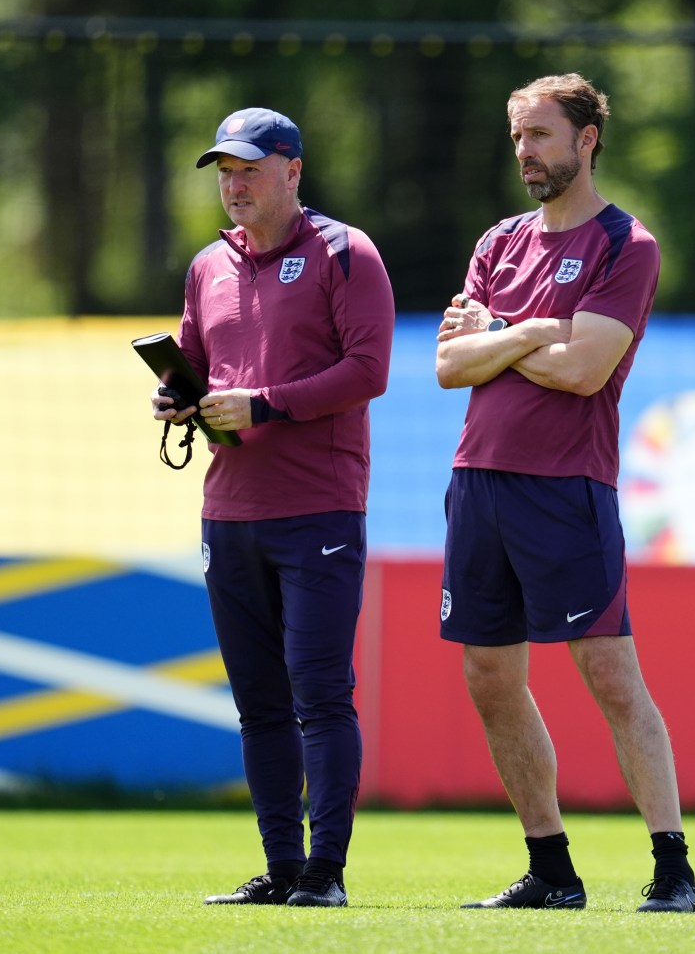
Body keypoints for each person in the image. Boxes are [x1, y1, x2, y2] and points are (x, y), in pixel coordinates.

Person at [435, 73, 695, 914]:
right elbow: (448, 366)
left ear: (585, 141)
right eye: (517, 136)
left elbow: (585, 372)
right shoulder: (496, 242)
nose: (525, 152)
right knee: (488, 675)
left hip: (566, 488)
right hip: (477, 479)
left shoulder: (628, 244)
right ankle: (550, 868)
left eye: (540, 136)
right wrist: (531, 333)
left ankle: (672, 869)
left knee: (609, 675)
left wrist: (494, 339)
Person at [152, 107, 395, 908]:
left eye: (249, 168)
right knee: (258, 702)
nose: (234, 184)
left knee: (320, 694)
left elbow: (367, 370)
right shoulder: (205, 266)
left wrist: (266, 406)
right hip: (228, 511)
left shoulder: (344, 251)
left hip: (318, 509)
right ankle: (283, 867)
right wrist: (175, 393)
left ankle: (325, 871)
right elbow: (196, 356)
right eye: (224, 170)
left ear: (294, 171)